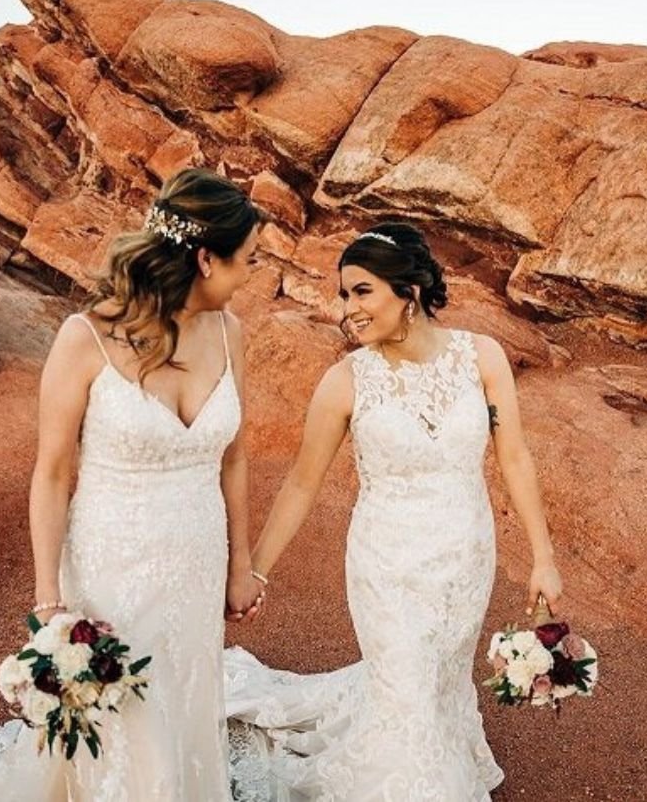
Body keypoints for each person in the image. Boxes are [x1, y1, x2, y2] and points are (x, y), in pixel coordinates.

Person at [0, 168, 265, 801]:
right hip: (112, 570)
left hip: (196, 564)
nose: (252, 274)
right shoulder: (85, 338)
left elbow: (234, 458)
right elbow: (52, 473)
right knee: (121, 722)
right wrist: (48, 604)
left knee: (183, 699)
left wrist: (240, 565)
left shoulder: (231, 334)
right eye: (247, 260)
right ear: (206, 259)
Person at [224, 221, 565, 801]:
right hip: (386, 567)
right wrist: (255, 570)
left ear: (409, 289)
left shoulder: (482, 358)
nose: (348, 309)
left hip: (464, 560)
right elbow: (302, 483)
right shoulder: (345, 381)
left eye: (362, 291)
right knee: (407, 688)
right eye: (344, 294)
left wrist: (543, 557)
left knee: (437, 684)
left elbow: (514, 457)